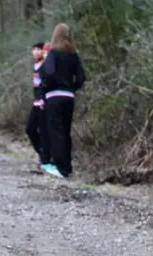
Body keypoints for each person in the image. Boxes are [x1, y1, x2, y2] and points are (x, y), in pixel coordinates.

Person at [41, 23, 85, 178]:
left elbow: (49, 72)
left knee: (56, 132)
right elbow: (81, 77)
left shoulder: (53, 53)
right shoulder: (73, 55)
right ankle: (67, 167)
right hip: (68, 97)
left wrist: (47, 87)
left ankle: (60, 168)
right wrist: (71, 88)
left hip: (54, 97)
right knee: (66, 132)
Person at [26, 42, 47, 167]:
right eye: (33, 50)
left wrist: (43, 99)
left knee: (44, 131)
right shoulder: (36, 66)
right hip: (36, 102)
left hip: (45, 103)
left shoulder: (46, 66)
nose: (36, 52)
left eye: (38, 49)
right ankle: (41, 152)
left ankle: (45, 158)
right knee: (30, 129)